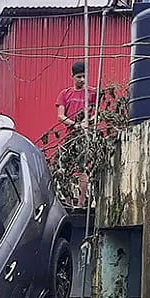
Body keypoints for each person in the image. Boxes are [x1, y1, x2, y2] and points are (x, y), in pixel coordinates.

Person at [56, 60, 98, 206]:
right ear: (72, 77)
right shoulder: (65, 94)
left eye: (84, 76)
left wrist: (88, 122)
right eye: (79, 77)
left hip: (85, 137)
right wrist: (75, 124)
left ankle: (81, 202)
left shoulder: (93, 93)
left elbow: (97, 113)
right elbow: (61, 116)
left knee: (82, 169)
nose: (82, 80)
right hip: (70, 137)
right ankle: (68, 202)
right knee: (66, 169)